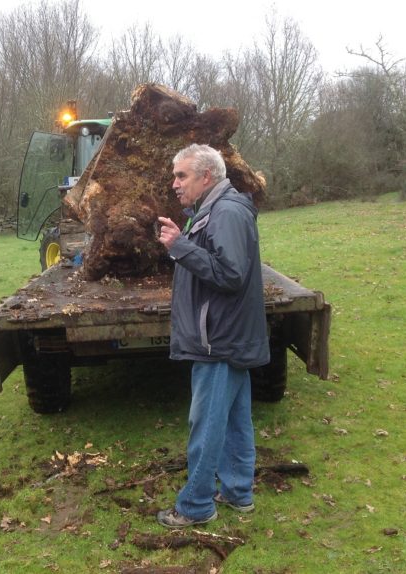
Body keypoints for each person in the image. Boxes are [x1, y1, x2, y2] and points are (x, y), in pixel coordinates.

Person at [156, 144, 270, 528]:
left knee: (205, 424)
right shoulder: (213, 210)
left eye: (181, 175)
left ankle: (196, 505)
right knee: (236, 421)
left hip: (218, 339)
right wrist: (183, 241)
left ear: (207, 176)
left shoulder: (226, 212)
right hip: (225, 336)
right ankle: (238, 493)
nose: (174, 184)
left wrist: (180, 247)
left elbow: (230, 274)